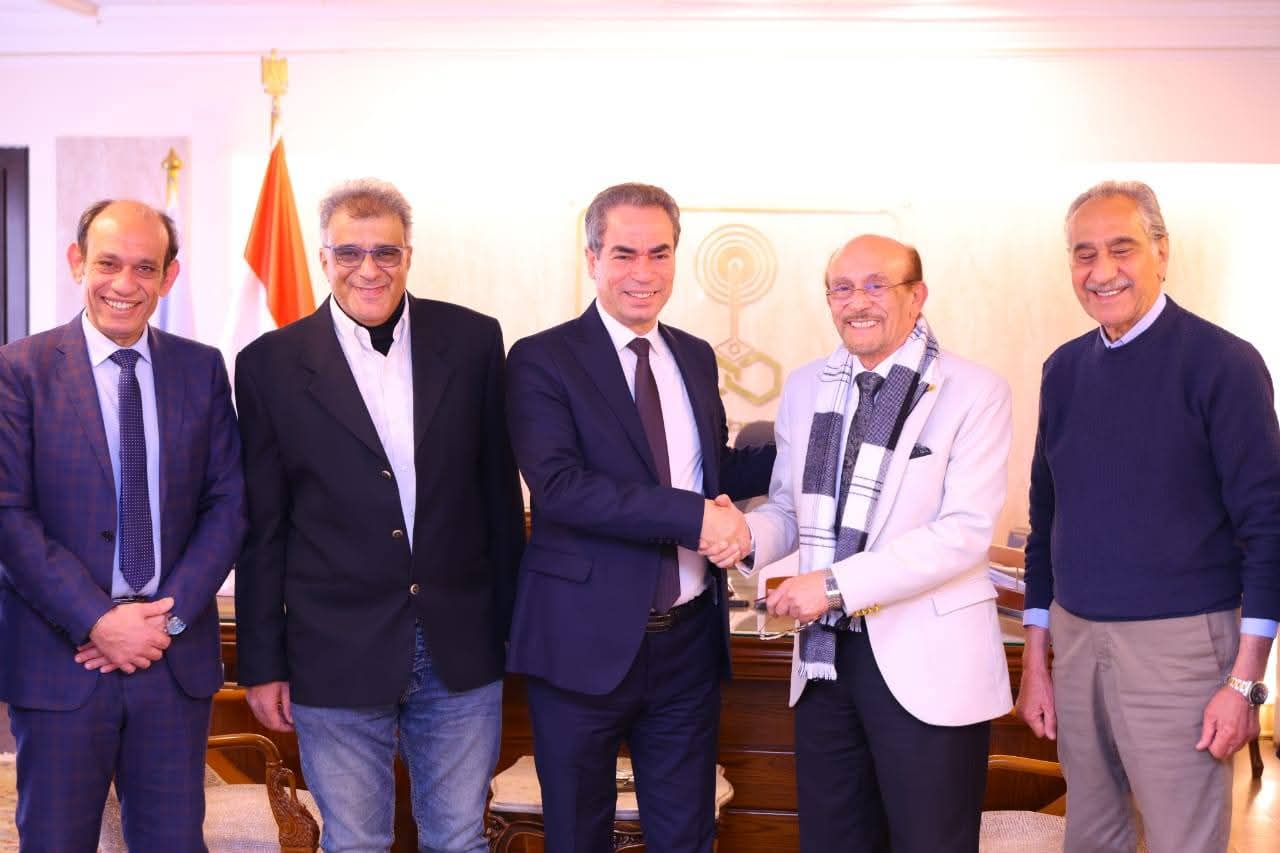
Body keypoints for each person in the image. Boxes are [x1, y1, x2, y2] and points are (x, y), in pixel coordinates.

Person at [234, 178, 525, 852]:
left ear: (408, 255)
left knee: (459, 839)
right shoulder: (269, 364)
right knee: (356, 842)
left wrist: (517, 629)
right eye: (349, 252)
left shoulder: (474, 341)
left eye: (386, 252)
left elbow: (500, 499)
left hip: (459, 644)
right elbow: (263, 528)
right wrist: (262, 661)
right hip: (332, 649)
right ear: (324, 257)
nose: (369, 269)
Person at [711, 234, 1012, 852]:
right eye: (842, 288)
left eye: (877, 284)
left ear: (916, 295)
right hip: (825, 663)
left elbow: (963, 532)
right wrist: (743, 534)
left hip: (928, 664)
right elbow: (788, 507)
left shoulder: (974, 390)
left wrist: (831, 586)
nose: (858, 301)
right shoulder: (805, 387)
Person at [505, 182, 775, 851]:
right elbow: (561, 487)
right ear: (592, 258)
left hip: (687, 645)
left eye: (659, 253)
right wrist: (695, 518)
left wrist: (816, 446)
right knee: (578, 836)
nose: (643, 271)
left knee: (686, 837)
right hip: (580, 640)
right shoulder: (541, 358)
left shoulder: (694, 354)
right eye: (624, 253)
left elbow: (711, 472)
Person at [1016, 180, 1280, 853]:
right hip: (1076, 642)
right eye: (1084, 254)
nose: (1101, 270)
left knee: (1180, 841)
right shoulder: (1062, 370)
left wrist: (1245, 683)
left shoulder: (1224, 363)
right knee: (1091, 837)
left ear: (1162, 252)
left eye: (1122, 248)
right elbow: (1046, 522)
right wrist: (1037, 662)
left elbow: (1268, 529)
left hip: (1182, 650)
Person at [0, 199, 246, 850]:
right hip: (61, 661)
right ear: (77, 262)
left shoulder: (201, 369)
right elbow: (8, 516)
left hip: (171, 661)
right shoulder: (18, 370)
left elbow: (228, 505)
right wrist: (97, 621)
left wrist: (164, 621)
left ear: (169, 276)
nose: (125, 283)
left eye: (145, 267)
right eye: (108, 263)